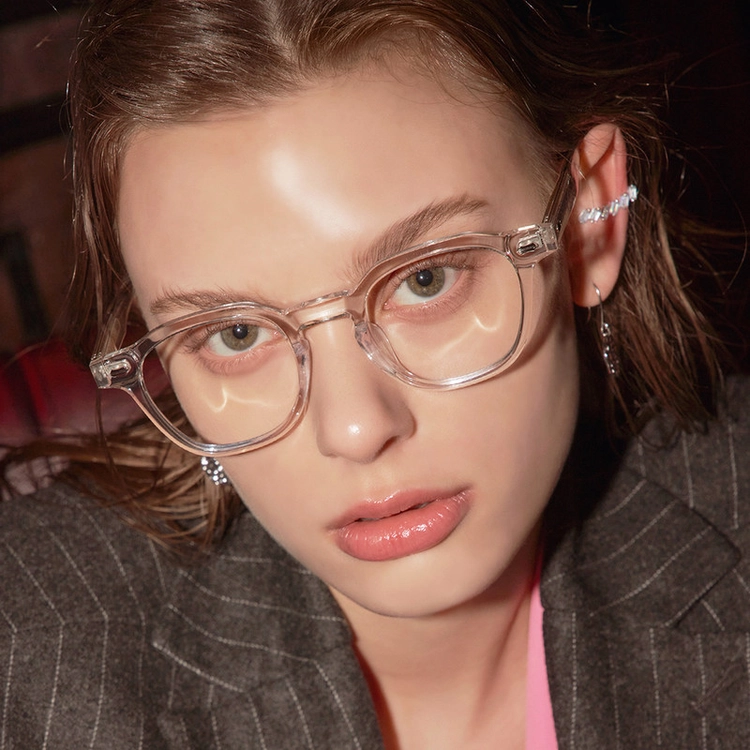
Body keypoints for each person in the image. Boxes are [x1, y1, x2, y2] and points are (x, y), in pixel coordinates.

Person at [1, 0, 748, 747]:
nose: (356, 429)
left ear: (590, 220)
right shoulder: (30, 664)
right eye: (235, 333)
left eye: (426, 280)